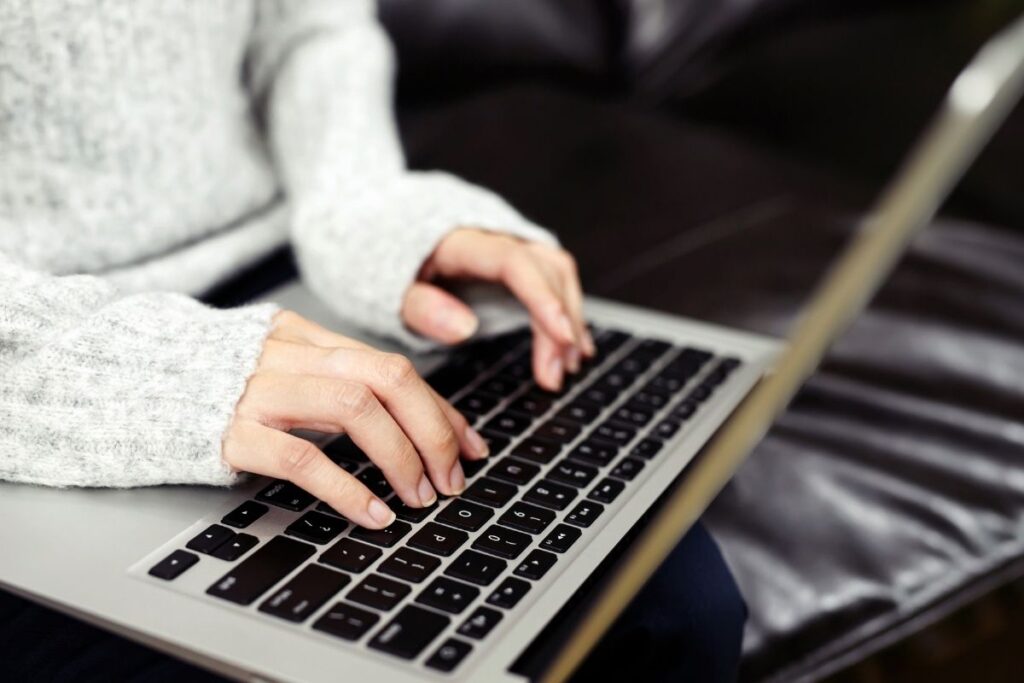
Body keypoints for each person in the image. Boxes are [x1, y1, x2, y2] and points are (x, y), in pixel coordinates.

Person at [0, 1, 745, 680]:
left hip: (270, 272)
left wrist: (360, 206)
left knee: (673, 610)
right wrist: (145, 372)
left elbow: (310, 30)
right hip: (40, 365)